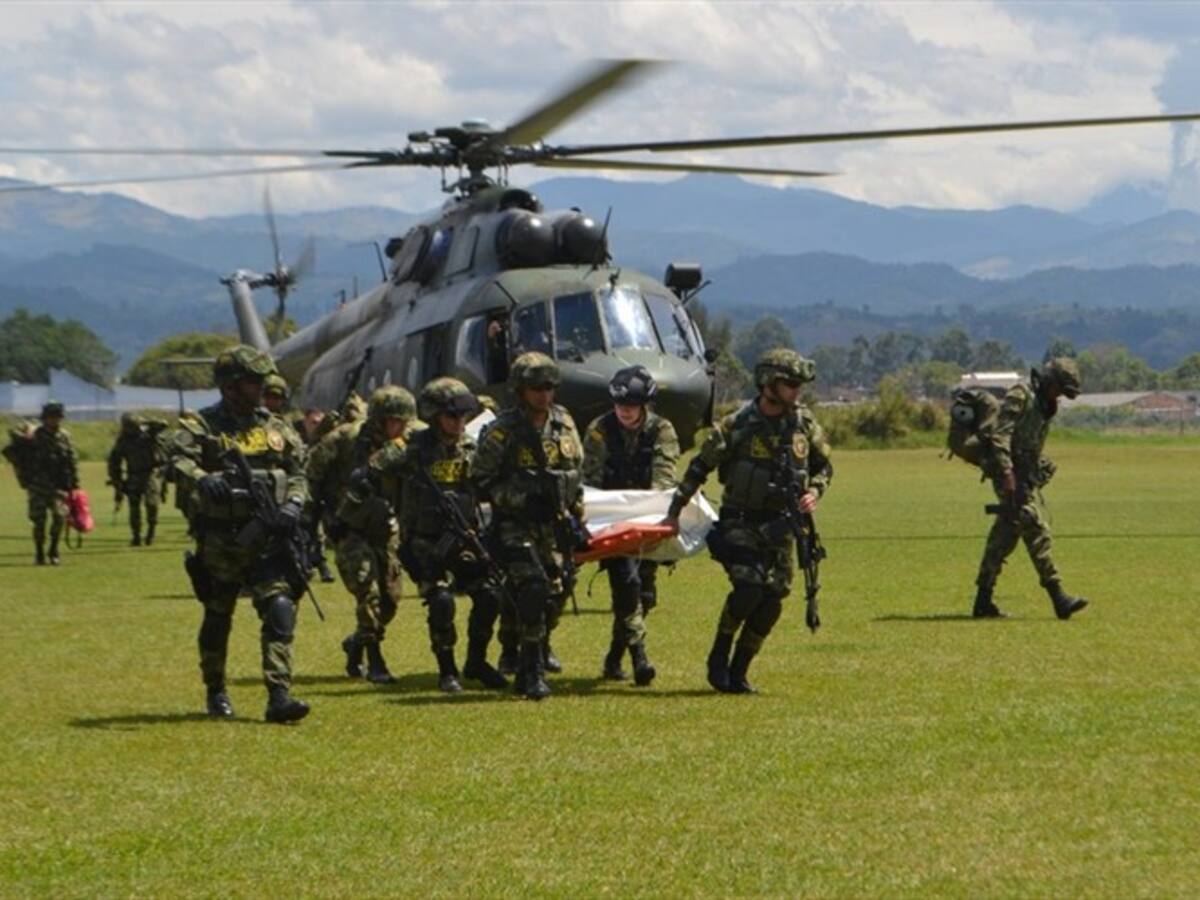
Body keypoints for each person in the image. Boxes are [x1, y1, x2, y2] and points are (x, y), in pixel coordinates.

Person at [663, 349, 832, 694]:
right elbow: (700, 466)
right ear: (768, 383)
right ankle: (719, 656)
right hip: (739, 522)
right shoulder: (736, 425)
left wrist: (815, 490)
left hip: (783, 524)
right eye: (790, 384)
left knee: (772, 600)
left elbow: (824, 466)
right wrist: (674, 511)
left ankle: (739, 671)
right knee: (749, 588)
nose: (796, 391)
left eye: (799, 385)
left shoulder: (804, 424)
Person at [169, 345, 312, 723]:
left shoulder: (275, 426)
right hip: (222, 540)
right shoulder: (201, 424)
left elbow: (298, 471)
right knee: (219, 615)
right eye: (252, 382)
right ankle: (216, 691)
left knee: (280, 609)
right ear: (230, 386)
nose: (260, 388)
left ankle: (279, 695)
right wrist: (203, 479)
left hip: (269, 539)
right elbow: (174, 456)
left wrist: (293, 505)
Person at [372, 377, 509, 692]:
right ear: (434, 416)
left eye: (463, 417)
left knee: (490, 595)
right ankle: (446, 669)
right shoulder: (413, 447)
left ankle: (476, 662)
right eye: (452, 417)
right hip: (425, 542)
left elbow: (486, 482)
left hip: (464, 536)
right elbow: (373, 468)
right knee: (442, 600)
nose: (459, 423)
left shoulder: (471, 448)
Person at [469, 352, 585, 701]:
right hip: (514, 527)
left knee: (557, 589)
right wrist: (520, 498)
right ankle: (530, 669)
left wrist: (575, 514)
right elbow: (480, 480)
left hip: (556, 524)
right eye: (536, 388)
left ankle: (533, 650)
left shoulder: (564, 423)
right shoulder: (503, 431)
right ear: (520, 390)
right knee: (533, 587)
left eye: (549, 387)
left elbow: (576, 472)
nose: (544, 395)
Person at [307, 385, 416, 684]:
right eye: (395, 421)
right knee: (367, 590)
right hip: (349, 528)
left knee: (391, 601)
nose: (401, 427)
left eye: (404, 422)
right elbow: (312, 473)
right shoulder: (345, 439)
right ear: (379, 419)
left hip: (386, 529)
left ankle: (357, 643)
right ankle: (376, 660)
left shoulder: (405, 444)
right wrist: (315, 519)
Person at [582, 365, 680, 686]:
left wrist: (650, 519)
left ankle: (613, 658)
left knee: (645, 595)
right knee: (627, 585)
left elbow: (664, 478)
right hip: (611, 524)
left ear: (644, 405)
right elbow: (590, 481)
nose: (624, 411)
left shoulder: (662, 430)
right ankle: (640, 658)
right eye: (620, 404)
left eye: (631, 405)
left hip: (648, 522)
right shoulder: (599, 430)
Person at [973, 357, 1089, 620]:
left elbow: (1030, 441)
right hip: (1008, 475)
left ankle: (982, 601)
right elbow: (1000, 435)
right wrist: (1006, 472)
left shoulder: (1045, 403)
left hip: (1024, 476)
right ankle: (1059, 597)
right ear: (1048, 380)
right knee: (1036, 528)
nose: (1060, 396)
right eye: (1059, 389)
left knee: (1003, 538)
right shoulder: (1021, 395)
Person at [6, 402, 79, 565]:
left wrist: (74, 482)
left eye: (57, 418)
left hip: (58, 485)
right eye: (51, 418)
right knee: (39, 520)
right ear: (45, 419)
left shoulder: (65, 436)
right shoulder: (34, 436)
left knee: (59, 517)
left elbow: (72, 459)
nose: (54, 421)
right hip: (38, 485)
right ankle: (39, 551)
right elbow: (12, 448)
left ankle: (53, 550)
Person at [107, 412, 168, 546]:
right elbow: (114, 461)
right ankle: (136, 535)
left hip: (151, 474)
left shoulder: (149, 434)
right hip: (134, 475)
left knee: (152, 504)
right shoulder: (123, 440)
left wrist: (146, 422)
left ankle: (151, 532)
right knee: (134, 507)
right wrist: (117, 480)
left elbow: (164, 424)